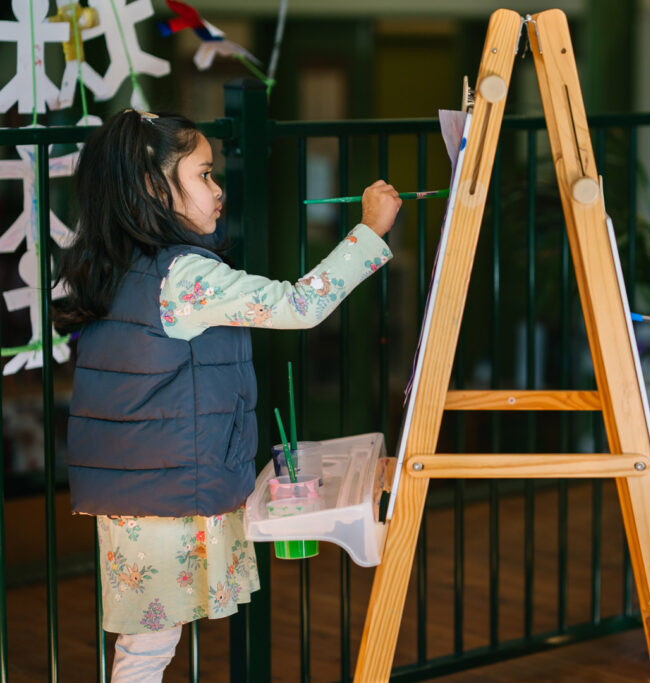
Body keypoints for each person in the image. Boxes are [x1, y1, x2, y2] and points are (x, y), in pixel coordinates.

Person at [53, 109, 401, 681]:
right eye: (205, 174)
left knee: (147, 646)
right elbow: (301, 305)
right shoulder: (183, 276)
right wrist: (369, 231)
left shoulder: (122, 263)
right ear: (152, 187)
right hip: (158, 491)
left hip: (143, 486)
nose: (219, 190)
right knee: (146, 651)